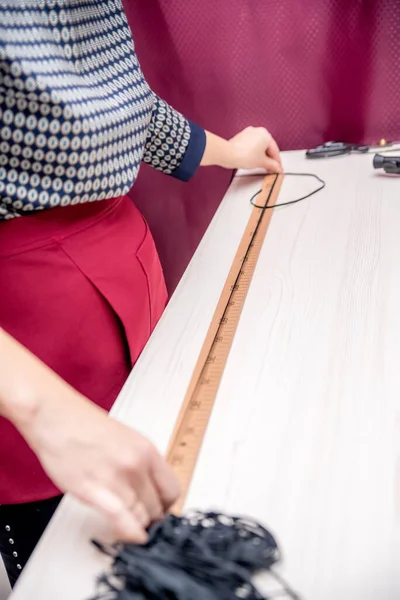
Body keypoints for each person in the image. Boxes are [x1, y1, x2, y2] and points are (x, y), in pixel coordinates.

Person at [0, 0, 282, 587]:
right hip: (24, 327)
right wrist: (45, 411)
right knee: (77, 555)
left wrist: (227, 151)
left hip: (122, 258)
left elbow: (119, 103)